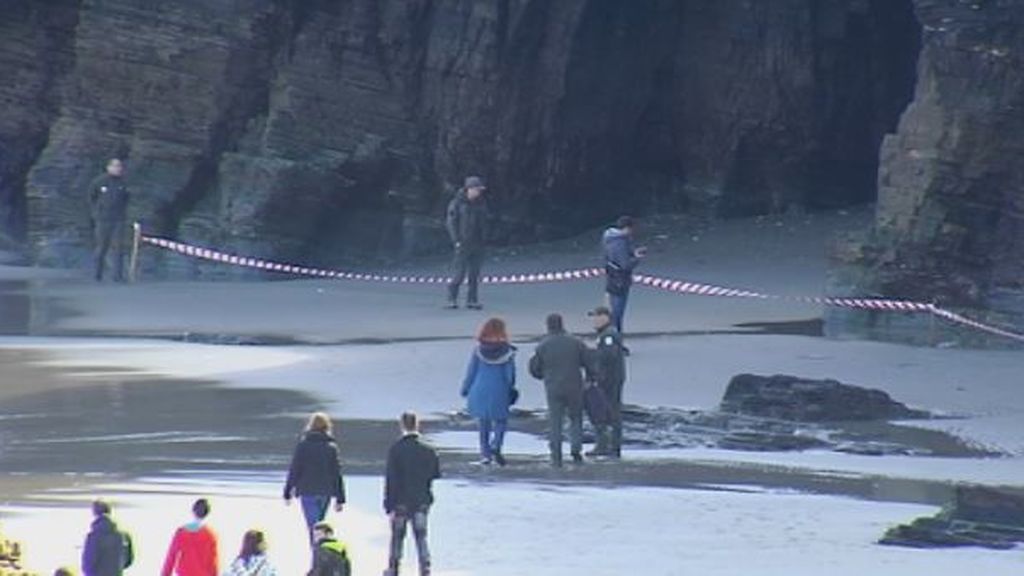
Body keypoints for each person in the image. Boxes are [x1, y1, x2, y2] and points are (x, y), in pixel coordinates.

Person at [528, 313, 592, 467]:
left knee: (555, 421)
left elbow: (534, 369)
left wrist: (545, 375)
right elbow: (589, 362)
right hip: (574, 386)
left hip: (553, 387)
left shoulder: (543, 345)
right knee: (576, 418)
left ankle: (556, 453)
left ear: (548, 326)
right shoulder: (576, 342)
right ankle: (576, 449)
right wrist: (590, 378)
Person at [384, 411, 441, 576]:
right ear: (417, 424)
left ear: (402, 425)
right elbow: (435, 473)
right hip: (421, 498)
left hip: (400, 500)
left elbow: (391, 478)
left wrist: (389, 504)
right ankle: (425, 567)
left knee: (397, 537)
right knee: (421, 535)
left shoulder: (396, 449)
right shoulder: (428, 450)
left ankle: (393, 567)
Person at [284, 412, 346, 548]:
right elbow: (336, 473)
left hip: (307, 491)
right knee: (320, 526)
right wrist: (340, 498)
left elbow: (295, 469)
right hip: (325, 492)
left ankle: (317, 559)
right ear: (327, 427)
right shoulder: (331, 448)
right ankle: (320, 557)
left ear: (310, 426)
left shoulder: (303, 446)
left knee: (313, 526)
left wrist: (287, 491)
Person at [460, 317, 517, 466]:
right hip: (499, 389)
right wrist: (510, 388)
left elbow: (471, 371)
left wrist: (465, 388)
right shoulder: (508, 351)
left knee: (483, 422)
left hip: (479, 389)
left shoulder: (478, 350)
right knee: (501, 420)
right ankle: (496, 445)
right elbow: (509, 375)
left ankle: (485, 454)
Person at [586, 306, 627, 458]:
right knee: (603, 411)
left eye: (596, 317)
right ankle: (605, 445)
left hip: (611, 379)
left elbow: (609, 356)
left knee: (612, 412)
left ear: (605, 317)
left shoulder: (608, 335)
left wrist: (593, 357)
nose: (594, 320)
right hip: (608, 378)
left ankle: (613, 446)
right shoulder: (605, 334)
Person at [445, 175, 489, 309]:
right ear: (469, 189)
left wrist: (485, 238)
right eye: (476, 189)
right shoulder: (457, 203)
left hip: (478, 243)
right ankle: (451, 298)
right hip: (463, 243)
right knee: (459, 273)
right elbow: (451, 223)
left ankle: (472, 300)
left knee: (474, 274)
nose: (478, 192)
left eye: (479, 189)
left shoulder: (481, 203)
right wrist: (456, 240)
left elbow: (484, 222)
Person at [87, 157, 130, 282]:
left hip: (118, 219)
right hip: (102, 219)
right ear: (108, 167)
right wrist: (96, 213)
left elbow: (127, 199)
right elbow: (91, 197)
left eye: (119, 166)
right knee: (101, 247)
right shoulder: (99, 181)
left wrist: (124, 214)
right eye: (115, 166)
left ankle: (117, 276)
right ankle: (97, 274)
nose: (118, 169)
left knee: (119, 248)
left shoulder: (123, 183)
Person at [602, 215, 646, 334]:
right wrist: (637, 258)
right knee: (617, 313)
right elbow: (625, 264)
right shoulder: (620, 242)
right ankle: (616, 340)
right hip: (620, 280)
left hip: (612, 278)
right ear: (627, 228)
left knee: (614, 311)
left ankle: (615, 339)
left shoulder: (610, 238)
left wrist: (632, 253)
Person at [161, 498, 219, 576]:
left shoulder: (181, 532)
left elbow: (171, 558)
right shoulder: (211, 535)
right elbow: (213, 564)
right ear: (207, 513)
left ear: (193, 510)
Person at [81, 499, 133, 576]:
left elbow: (88, 563)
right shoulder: (124, 535)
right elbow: (129, 560)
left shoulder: (94, 536)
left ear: (95, 513)